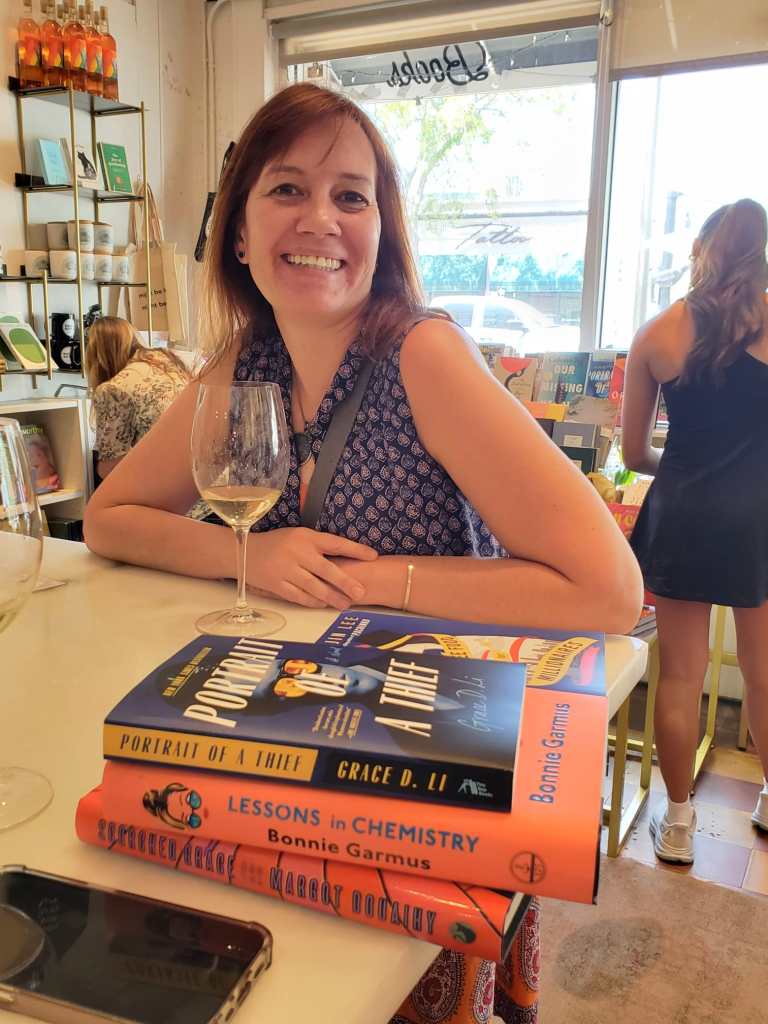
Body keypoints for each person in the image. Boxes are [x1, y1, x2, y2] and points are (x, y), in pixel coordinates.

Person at [84, 83, 642, 1024]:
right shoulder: (242, 365)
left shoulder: (423, 355)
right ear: (238, 230)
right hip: (295, 741)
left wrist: (370, 582)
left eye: (352, 195)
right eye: (287, 189)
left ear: (382, 231)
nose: (321, 220)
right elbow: (110, 517)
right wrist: (250, 559)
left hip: (431, 768)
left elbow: (609, 589)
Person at [623, 198, 768, 865]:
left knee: (681, 677)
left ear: (700, 251)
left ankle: (678, 822)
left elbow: (634, 454)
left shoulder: (657, 333)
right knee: (764, 676)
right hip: (757, 517)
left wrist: (684, 468)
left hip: (681, 513)